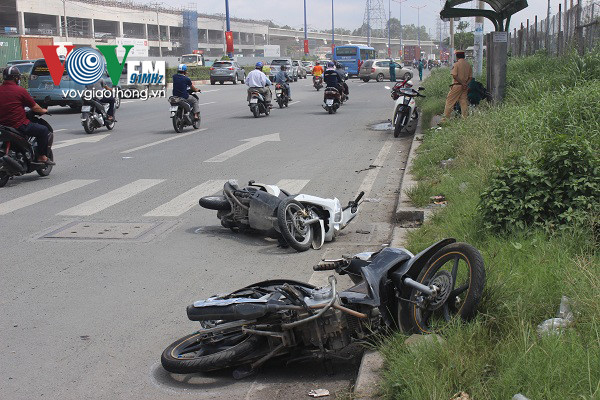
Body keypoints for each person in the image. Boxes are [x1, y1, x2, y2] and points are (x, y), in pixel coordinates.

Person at [0, 66, 54, 165]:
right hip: (18, 125)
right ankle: (42, 157)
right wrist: (43, 110)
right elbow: (35, 107)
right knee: (43, 130)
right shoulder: (20, 91)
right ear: (16, 78)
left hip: (2, 126)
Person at [443, 50, 473, 120]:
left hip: (457, 85)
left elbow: (454, 75)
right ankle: (465, 119)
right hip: (464, 87)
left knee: (450, 102)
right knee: (463, 102)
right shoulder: (468, 65)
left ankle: (444, 120)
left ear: (457, 57)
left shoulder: (456, 64)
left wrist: (462, 83)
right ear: (464, 56)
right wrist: (465, 84)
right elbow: (470, 77)